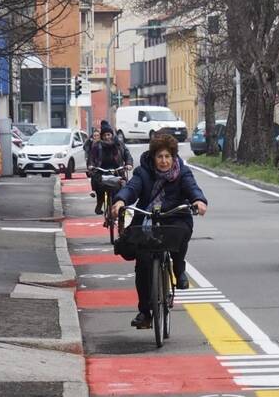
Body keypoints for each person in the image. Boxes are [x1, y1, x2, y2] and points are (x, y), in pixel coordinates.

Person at [111, 134, 208, 329]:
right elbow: (132, 188)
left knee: (179, 236)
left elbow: (192, 188)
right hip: (147, 219)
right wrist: (121, 200)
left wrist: (199, 201)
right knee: (143, 263)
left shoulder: (183, 173)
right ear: (153, 158)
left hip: (175, 217)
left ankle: (178, 268)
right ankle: (145, 313)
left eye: (167, 157)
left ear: (173, 158)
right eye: (159, 157)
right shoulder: (143, 173)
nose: (164, 161)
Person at [88, 122, 133, 215]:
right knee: (98, 184)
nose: (107, 137)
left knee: (123, 186)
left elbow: (127, 154)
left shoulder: (119, 144)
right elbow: (91, 157)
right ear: (102, 136)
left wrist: (128, 164)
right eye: (104, 135)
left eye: (108, 134)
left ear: (112, 135)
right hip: (102, 171)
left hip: (117, 171)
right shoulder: (97, 146)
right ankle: (99, 203)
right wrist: (91, 165)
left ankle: (120, 207)